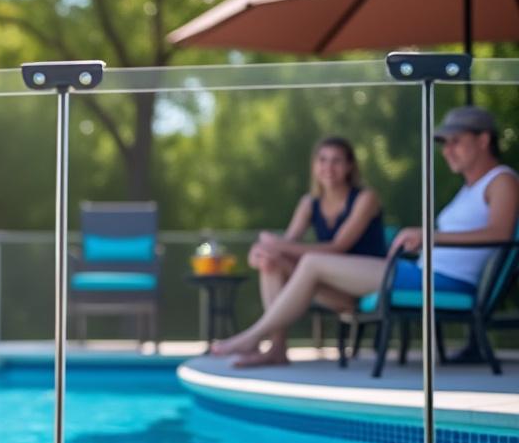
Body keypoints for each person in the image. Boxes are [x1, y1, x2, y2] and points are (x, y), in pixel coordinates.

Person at [212, 106, 518, 364]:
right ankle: (275, 349)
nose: (447, 150)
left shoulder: (502, 180)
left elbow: (501, 234)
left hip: (440, 280)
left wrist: (429, 235)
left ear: (483, 140)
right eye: (445, 143)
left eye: (455, 141)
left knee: (313, 263)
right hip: (420, 272)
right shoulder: (471, 188)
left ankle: (251, 337)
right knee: (285, 262)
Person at [239, 136, 388, 366]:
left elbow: (338, 247)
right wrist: (262, 252)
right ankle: (277, 349)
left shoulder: (365, 198)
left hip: (363, 285)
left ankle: (252, 336)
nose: (328, 167)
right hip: (331, 288)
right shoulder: (310, 203)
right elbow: (287, 243)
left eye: (336, 161)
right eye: (322, 160)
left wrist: (276, 244)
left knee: (307, 259)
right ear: (314, 165)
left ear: (350, 166)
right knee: (271, 262)